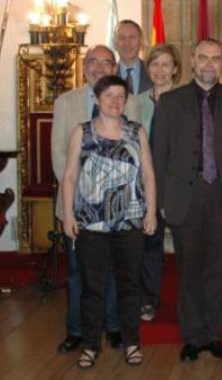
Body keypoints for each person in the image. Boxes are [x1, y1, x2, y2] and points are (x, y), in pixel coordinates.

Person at [151, 39, 222, 362]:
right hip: (184, 197)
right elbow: (158, 154)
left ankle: (214, 334)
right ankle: (193, 337)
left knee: (216, 270)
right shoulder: (170, 101)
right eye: (203, 58)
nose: (209, 64)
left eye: (216, 59)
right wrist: (160, 202)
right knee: (189, 268)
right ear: (192, 61)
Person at [59, 75, 157, 369]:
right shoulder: (82, 132)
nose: (115, 102)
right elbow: (70, 176)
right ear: (98, 99)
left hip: (130, 222)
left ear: (126, 101)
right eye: (109, 96)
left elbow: (149, 175)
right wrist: (68, 215)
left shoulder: (136, 132)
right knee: (92, 288)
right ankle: (90, 345)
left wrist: (151, 212)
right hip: (91, 223)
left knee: (129, 286)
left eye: (120, 96)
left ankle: (131, 343)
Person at [51, 45, 140, 355]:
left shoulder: (130, 102)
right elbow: (60, 157)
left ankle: (114, 327)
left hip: (119, 209)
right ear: (84, 66)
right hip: (80, 208)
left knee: (117, 270)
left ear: (114, 67)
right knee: (79, 273)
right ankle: (77, 331)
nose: (98, 68)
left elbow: (138, 156)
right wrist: (80, 202)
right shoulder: (66, 102)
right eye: (92, 62)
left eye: (106, 63)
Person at [136, 43, 182, 322]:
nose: (160, 70)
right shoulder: (136, 101)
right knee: (149, 243)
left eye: (166, 64)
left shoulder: (186, 99)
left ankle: (187, 302)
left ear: (175, 69)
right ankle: (147, 300)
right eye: (155, 64)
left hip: (177, 184)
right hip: (144, 184)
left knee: (186, 246)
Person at [114, 20, 154, 95]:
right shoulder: (108, 74)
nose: (126, 43)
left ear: (141, 41)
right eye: (121, 38)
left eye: (131, 37)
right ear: (115, 43)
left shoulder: (154, 73)